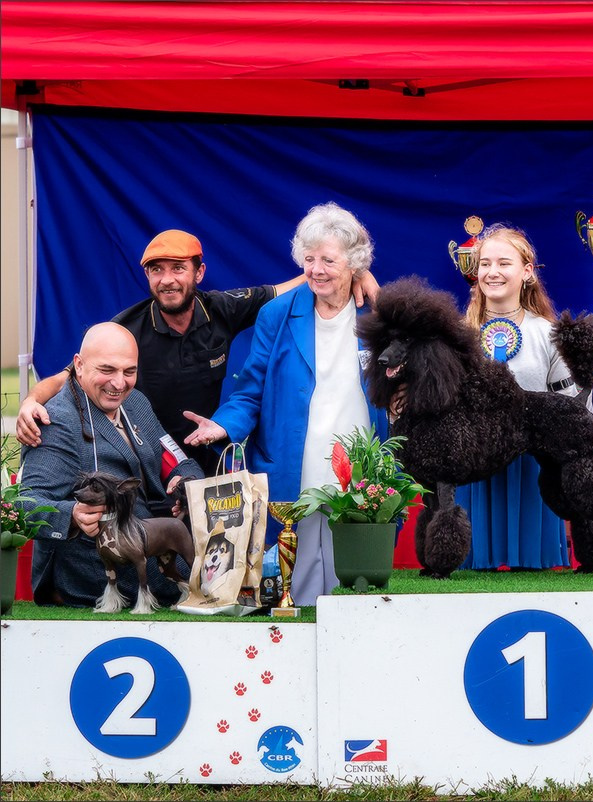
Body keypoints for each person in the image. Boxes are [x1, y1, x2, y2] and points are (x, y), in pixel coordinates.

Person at [15, 228, 380, 475]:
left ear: (199, 272)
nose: (167, 280)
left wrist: (353, 272)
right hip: (147, 461)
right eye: (156, 270)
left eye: (178, 268)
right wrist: (31, 400)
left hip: (210, 455)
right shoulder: (126, 329)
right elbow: (71, 375)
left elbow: (289, 286)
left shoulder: (222, 308)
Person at [183, 203, 389, 605]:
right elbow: (250, 389)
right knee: (301, 587)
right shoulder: (276, 314)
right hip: (296, 466)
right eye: (309, 259)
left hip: (361, 467)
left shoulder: (380, 312)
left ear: (354, 264)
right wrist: (223, 425)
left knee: (359, 588)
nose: (316, 270)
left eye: (328, 260)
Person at [20, 322, 204, 608]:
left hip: (157, 540)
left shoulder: (136, 403)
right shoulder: (57, 421)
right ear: (78, 366)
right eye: (107, 370)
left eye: (129, 372)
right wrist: (73, 515)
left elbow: (177, 459)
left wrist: (185, 481)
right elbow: (26, 504)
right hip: (98, 568)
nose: (119, 383)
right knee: (213, 582)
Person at [455, 223, 582, 570]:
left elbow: (570, 406)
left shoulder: (548, 333)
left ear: (527, 272)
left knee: (533, 576)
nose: (492, 272)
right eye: (484, 264)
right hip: (474, 470)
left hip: (533, 469)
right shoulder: (457, 335)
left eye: (503, 263)